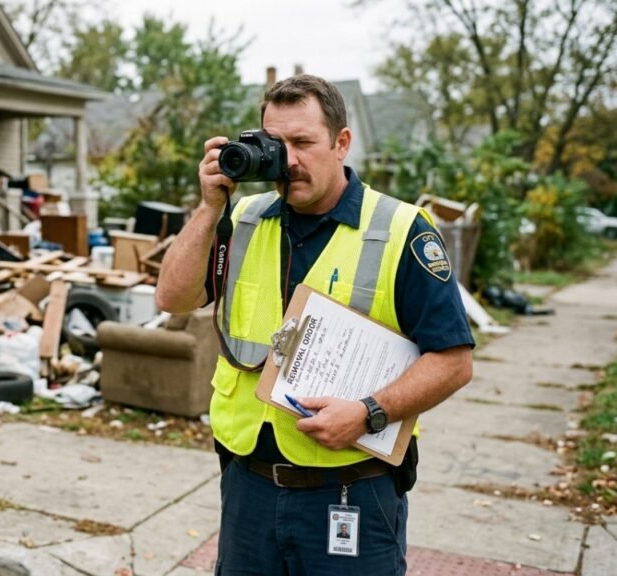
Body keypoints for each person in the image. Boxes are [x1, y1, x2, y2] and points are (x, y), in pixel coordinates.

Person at [155, 74, 474, 575]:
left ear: (341, 142)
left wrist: (370, 411)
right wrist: (209, 206)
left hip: (353, 488)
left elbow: (454, 362)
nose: (290, 160)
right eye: (274, 144)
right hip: (248, 484)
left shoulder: (400, 229)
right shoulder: (243, 220)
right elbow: (172, 299)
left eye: (303, 142)